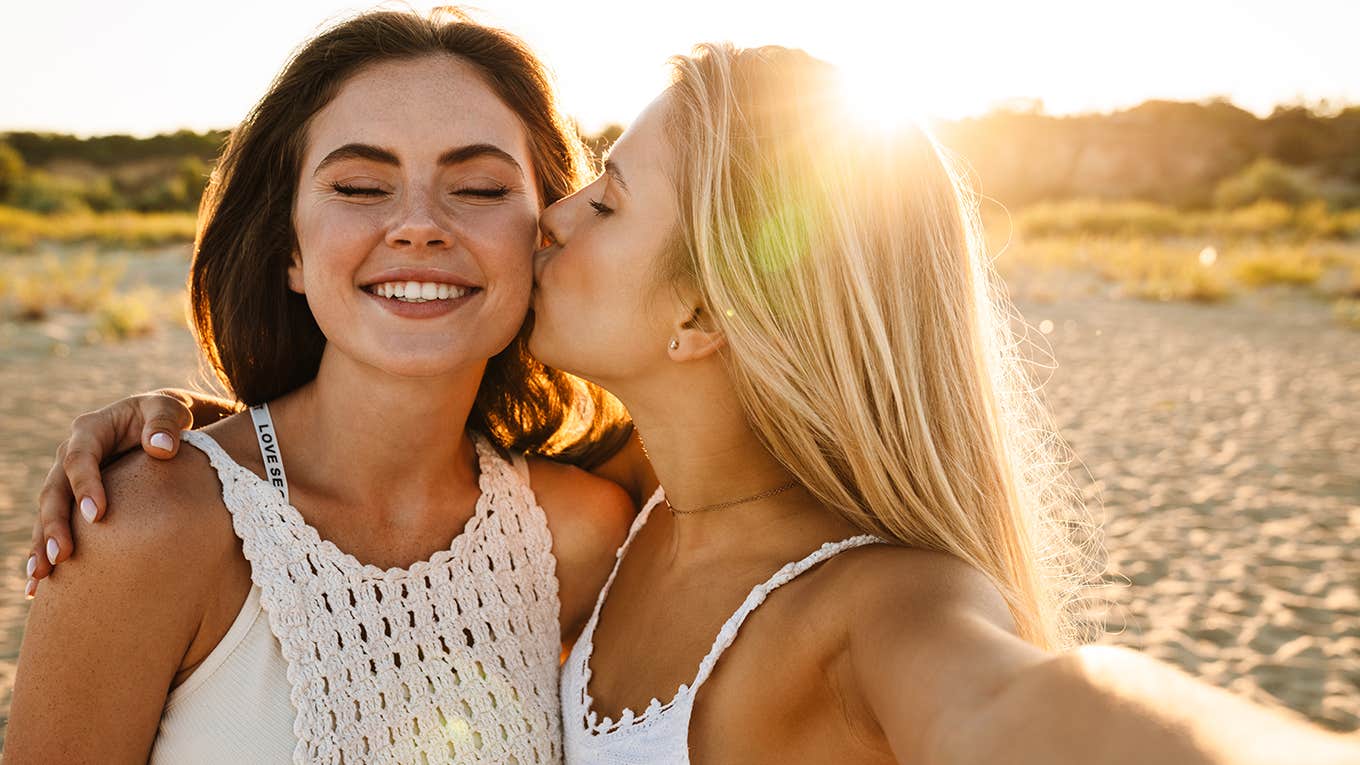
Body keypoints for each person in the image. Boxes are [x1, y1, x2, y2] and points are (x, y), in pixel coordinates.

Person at [25, 40, 1359, 765]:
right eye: (361, 185)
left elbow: (1022, 707)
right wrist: (209, 434)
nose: (530, 221)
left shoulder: (738, 565)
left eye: (541, 193)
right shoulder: (165, 520)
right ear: (291, 240)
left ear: (706, 310)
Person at [7, 9, 640, 763]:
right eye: (362, 186)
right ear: (292, 252)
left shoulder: (579, 534)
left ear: (545, 236)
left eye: (476, 187)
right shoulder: (147, 523)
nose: (419, 226)